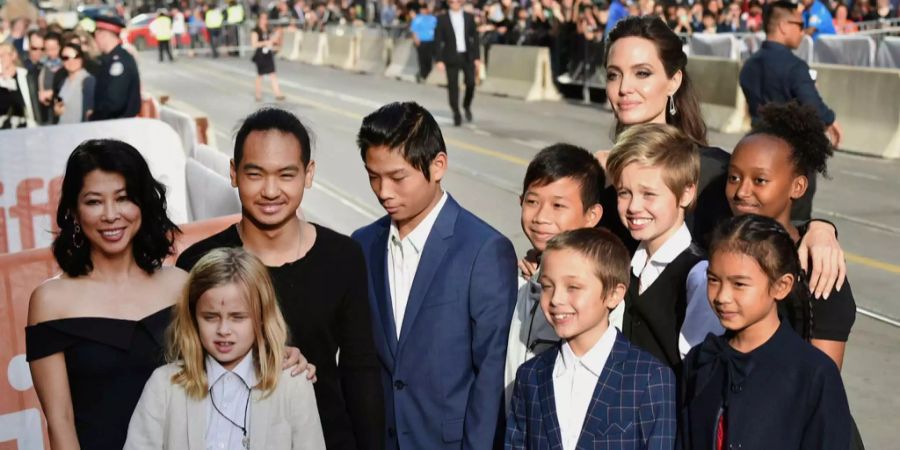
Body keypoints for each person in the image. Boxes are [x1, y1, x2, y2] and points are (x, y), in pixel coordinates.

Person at [25, 139, 313, 450]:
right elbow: (59, 421)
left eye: (124, 198)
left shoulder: (179, 285)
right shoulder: (50, 302)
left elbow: (228, 359)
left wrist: (277, 356)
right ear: (74, 212)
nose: (111, 215)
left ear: (143, 204)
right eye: (94, 201)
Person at [594, 16, 844, 301]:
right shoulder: (598, 174)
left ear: (674, 80)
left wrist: (821, 230)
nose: (624, 87)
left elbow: (774, 228)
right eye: (614, 74)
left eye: (642, 73)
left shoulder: (712, 171)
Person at [176, 108, 384, 450]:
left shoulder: (343, 257)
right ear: (233, 173)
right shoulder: (198, 263)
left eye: (286, 175)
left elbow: (360, 371)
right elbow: (182, 366)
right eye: (255, 174)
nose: (270, 191)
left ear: (309, 173)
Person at [352, 101, 517, 449]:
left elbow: (491, 375)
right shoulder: (363, 245)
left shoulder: (483, 250)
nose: (384, 191)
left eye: (398, 177)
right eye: (373, 176)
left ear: (438, 165)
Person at [124, 248, 326, 450]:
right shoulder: (164, 385)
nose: (223, 330)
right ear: (193, 318)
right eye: (210, 317)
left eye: (238, 317)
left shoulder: (292, 384)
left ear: (262, 318)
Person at [680, 214, 851, 450]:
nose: (722, 297)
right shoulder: (701, 360)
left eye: (739, 284)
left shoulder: (813, 374)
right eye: (713, 280)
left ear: (781, 286)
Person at [505, 228, 676, 449]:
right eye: (547, 286)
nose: (556, 299)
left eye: (573, 287)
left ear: (614, 294)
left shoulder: (650, 377)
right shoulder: (530, 375)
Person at [726, 102, 857, 367]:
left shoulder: (819, 271)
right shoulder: (721, 245)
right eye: (733, 178)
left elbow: (821, 384)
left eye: (760, 180)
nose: (742, 191)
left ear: (797, 187)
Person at [606, 123, 724, 370]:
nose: (634, 206)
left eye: (649, 194)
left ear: (686, 193)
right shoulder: (625, 261)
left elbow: (700, 374)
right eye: (624, 193)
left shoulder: (699, 277)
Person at [504, 143, 604, 411]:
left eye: (558, 205)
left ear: (591, 215)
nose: (541, 217)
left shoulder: (598, 294)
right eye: (532, 202)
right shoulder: (518, 278)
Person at [740, 0, 841, 209]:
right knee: (795, 223)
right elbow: (814, 109)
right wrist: (830, 119)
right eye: (799, 25)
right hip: (791, 159)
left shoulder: (748, 66)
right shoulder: (795, 68)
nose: (803, 32)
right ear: (783, 26)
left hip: (756, 151)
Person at [434, 0, 481, 126]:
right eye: (451, 1)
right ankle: (456, 112)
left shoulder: (469, 17)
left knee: (471, 83)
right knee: (453, 87)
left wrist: (477, 57)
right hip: (450, 56)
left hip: (467, 56)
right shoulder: (442, 18)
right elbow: (437, 40)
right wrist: (439, 60)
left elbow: (475, 38)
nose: (454, 3)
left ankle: (466, 105)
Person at [90, 15, 142, 120]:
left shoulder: (119, 62)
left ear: (103, 35)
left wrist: (94, 116)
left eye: (96, 35)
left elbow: (115, 103)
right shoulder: (109, 59)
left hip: (118, 125)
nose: (95, 40)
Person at [54, 43, 96, 123]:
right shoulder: (62, 82)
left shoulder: (88, 81)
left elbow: (90, 112)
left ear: (81, 58)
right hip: (62, 130)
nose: (71, 61)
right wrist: (57, 109)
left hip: (79, 132)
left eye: (76, 57)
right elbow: (59, 104)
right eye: (66, 58)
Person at [0, 41, 37, 128]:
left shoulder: (26, 76)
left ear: (13, 55)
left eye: (2, 55)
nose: (0, 59)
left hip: (24, 126)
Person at [250, 13, 285, 102]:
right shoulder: (255, 31)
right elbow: (254, 44)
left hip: (268, 54)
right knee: (260, 75)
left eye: (266, 18)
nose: (265, 20)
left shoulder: (268, 30)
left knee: (273, 74)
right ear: (259, 20)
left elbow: (273, 41)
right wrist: (265, 42)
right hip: (260, 55)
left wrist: (276, 41)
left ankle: (278, 93)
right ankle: (258, 94)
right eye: (263, 18)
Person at [37, 32, 64, 125]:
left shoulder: (67, 64)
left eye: (53, 49)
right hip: (46, 113)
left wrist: (52, 94)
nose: (50, 53)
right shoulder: (41, 65)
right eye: (47, 49)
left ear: (60, 46)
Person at [409, 2, 437, 82]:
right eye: (421, 8)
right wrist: (416, 39)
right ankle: (422, 75)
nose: (423, 10)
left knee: (429, 59)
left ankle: (428, 74)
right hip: (421, 41)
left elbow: (437, 29)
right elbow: (414, 30)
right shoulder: (417, 19)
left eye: (424, 8)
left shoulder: (432, 18)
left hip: (431, 41)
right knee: (422, 59)